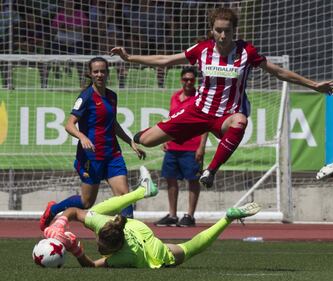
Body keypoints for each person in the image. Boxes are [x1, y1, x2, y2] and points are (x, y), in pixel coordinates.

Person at [110, 7, 333, 189]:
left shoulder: (247, 52)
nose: (223, 35)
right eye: (219, 30)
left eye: (227, 30)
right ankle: (136, 138)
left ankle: (211, 171)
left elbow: (278, 71)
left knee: (241, 120)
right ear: (212, 30)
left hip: (226, 117)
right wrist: (129, 58)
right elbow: (164, 60)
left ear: (234, 31)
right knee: (146, 140)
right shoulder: (202, 50)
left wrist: (314, 84)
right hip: (198, 111)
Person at [43, 166, 261, 268]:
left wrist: (76, 249)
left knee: (191, 248)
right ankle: (143, 191)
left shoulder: (123, 258)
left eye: (103, 248)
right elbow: (73, 212)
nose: (99, 248)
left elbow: (91, 266)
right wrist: (60, 223)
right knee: (97, 211)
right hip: (136, 229)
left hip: (152, 253)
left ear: (115, 250)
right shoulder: (107, 225)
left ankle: (228, 218)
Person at [39, 56, 146, 231]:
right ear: (90, 74)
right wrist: (82, 137)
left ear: (107, 73)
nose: (99, 74)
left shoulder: (112, 96)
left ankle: (130, 237)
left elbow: (113, 124)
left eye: (103, 71)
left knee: (125, 197)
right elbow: (69, 124)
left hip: (112, 155)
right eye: (96, 71)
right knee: (86, 202)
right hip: (91, 157)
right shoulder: (86, 97)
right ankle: (53, 209)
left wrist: (130, 143)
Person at [155, 67, 208, 227]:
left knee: (192, 180)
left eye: (191, 79)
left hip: (192, 147)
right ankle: (172, 215)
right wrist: (165, 138)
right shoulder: (175, 97)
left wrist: (202, 146)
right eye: (185, 79)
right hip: (173, 146)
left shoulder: (200, 99)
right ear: (181, 80)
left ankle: (190, 215)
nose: (188, 82)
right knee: (170, 180)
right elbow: (172, 120)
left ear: (195, 81)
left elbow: (206, 124)